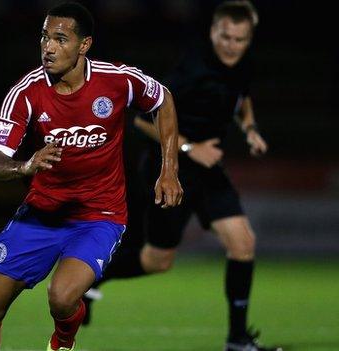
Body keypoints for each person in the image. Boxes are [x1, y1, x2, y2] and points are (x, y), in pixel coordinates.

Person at [0, 2, 183, 351]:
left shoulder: (118, 80)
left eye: (60, 38)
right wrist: (24, 166)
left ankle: (63, 340)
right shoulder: (26, 93)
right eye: (44, 37)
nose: (48, 47)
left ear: (84, 45)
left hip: (99, 215)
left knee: (62, 298)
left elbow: (163, 100)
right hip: (41, 214)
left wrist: (169, 170)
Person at [83, 2, 282, 351]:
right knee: (158, 261)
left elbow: (242, 99)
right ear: (213, 32)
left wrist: (250, 129)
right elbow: (144, 119)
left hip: (208, 169)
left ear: (248, 39)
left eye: (239, 39)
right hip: (172, 169)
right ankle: (91, 275)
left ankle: (237, 340)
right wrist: (190, 149)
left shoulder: (244, 65)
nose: (230, 45)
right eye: (225, 36)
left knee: (243, 243)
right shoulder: (193, 69)